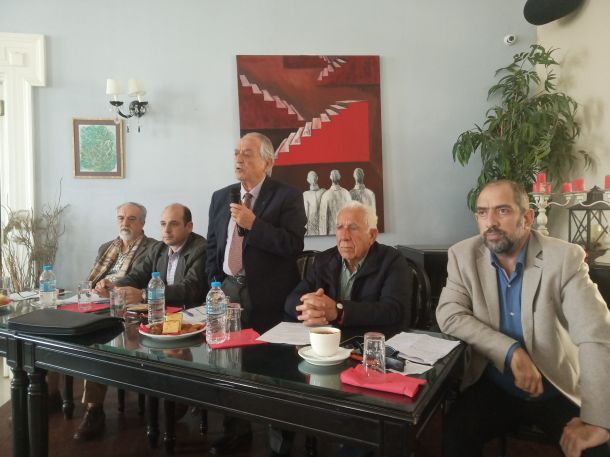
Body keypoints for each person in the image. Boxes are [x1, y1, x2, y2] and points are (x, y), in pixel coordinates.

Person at [436, 179, 610, 457]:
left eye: (502, 210)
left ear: (527, 218)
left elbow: (596, 333)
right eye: (482, 212)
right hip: (495, 382)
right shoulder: (462, 255)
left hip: (555, 384)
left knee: (597, 449)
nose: (490, 222)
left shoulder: (563, 258)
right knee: (455, 436)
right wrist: (510, 352)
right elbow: (449, 313)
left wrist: (598, 422)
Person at [206, 132, 306, 456]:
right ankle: (236, 430)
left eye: (247, 153)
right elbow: (213, 247)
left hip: (270, 296)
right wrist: (215, 284)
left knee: (275, 368)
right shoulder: (220, 197)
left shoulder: (288, 196)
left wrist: (254, 224)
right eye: (237, 152)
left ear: (268, 161)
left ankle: (280, 437)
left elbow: (293, 245)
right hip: (228, 290)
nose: (239, 158)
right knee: (230, 363)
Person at [74, 203, 207, 441]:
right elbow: (137, 275)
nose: (166, 230)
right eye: (163, 224)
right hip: (153, 318)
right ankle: (95, 409)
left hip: (187, 321)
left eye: (174, 224)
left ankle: (182, 395)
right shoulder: (159, 249)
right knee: (103, 340)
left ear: (189, 226)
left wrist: (145, 294)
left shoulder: (200, 248)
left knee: (165, 360)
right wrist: (114, 284)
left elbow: (190, 288)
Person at [73, 201, 156, 441]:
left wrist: (112, 286)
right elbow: (91, 279)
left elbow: (137, 278)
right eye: (121, 218)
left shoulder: (152, 248)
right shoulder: (106, 247)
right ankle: (51, 395)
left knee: (96, 343)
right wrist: (98, 286)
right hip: (96, 303)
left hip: (127, 310)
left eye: (131, 218)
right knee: (56, 328)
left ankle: (94, 411)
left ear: (142, 223)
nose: (125, 223)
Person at [285, 201, 411, 334]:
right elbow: (291, 300)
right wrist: (308, 309)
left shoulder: (392, 260)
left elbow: (393, 310)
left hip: (370, 340)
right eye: (339, 227)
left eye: (353, 227)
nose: (344, 236)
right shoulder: (324, 260)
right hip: (330, 339)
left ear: (372, 235)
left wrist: (339, 311)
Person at [319, 169, 351, 235]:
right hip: (345, 232)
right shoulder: (346, 193)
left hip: (331, 234)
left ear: (330, 178)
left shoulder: (326, 195)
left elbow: (323, 219)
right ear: (339, 177)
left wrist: (323, 236)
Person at [303, 170, 326, 236]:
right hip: (319, 225)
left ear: (308, 180)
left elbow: (306, 213)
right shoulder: (324, 191)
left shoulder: (306, 194)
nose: (312, 179)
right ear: (317, 178)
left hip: (315, 225)